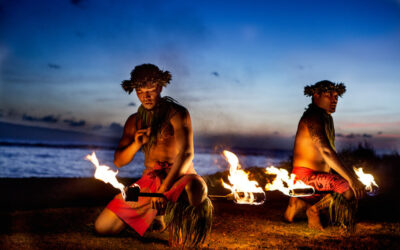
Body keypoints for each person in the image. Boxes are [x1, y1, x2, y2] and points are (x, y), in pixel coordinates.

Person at [94, 64, 212, 246]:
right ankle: (154, 216)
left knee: (196, 187)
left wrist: (164, 190)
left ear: (160, 87)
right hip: (149, 182)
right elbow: (119, 161)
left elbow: (187, 154)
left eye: (151, 90)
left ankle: (174, 217)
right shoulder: (134, 121)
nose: (146, 96)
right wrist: (136, 143)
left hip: (179, 179)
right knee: (103, 227)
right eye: (140, 91)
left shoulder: (177, 113)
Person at [284, 80, 365, 231]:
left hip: (319, 177)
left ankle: (298, 203)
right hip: (306, 177)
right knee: (349, 189)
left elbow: (328, 154)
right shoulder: (313, 116)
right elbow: (326, 151)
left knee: (344, 192)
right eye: (329, 95)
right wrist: (351, 179)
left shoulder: (326, 118)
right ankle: (312, 210)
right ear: (316, 95)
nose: (334, 100)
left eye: (336, 96)